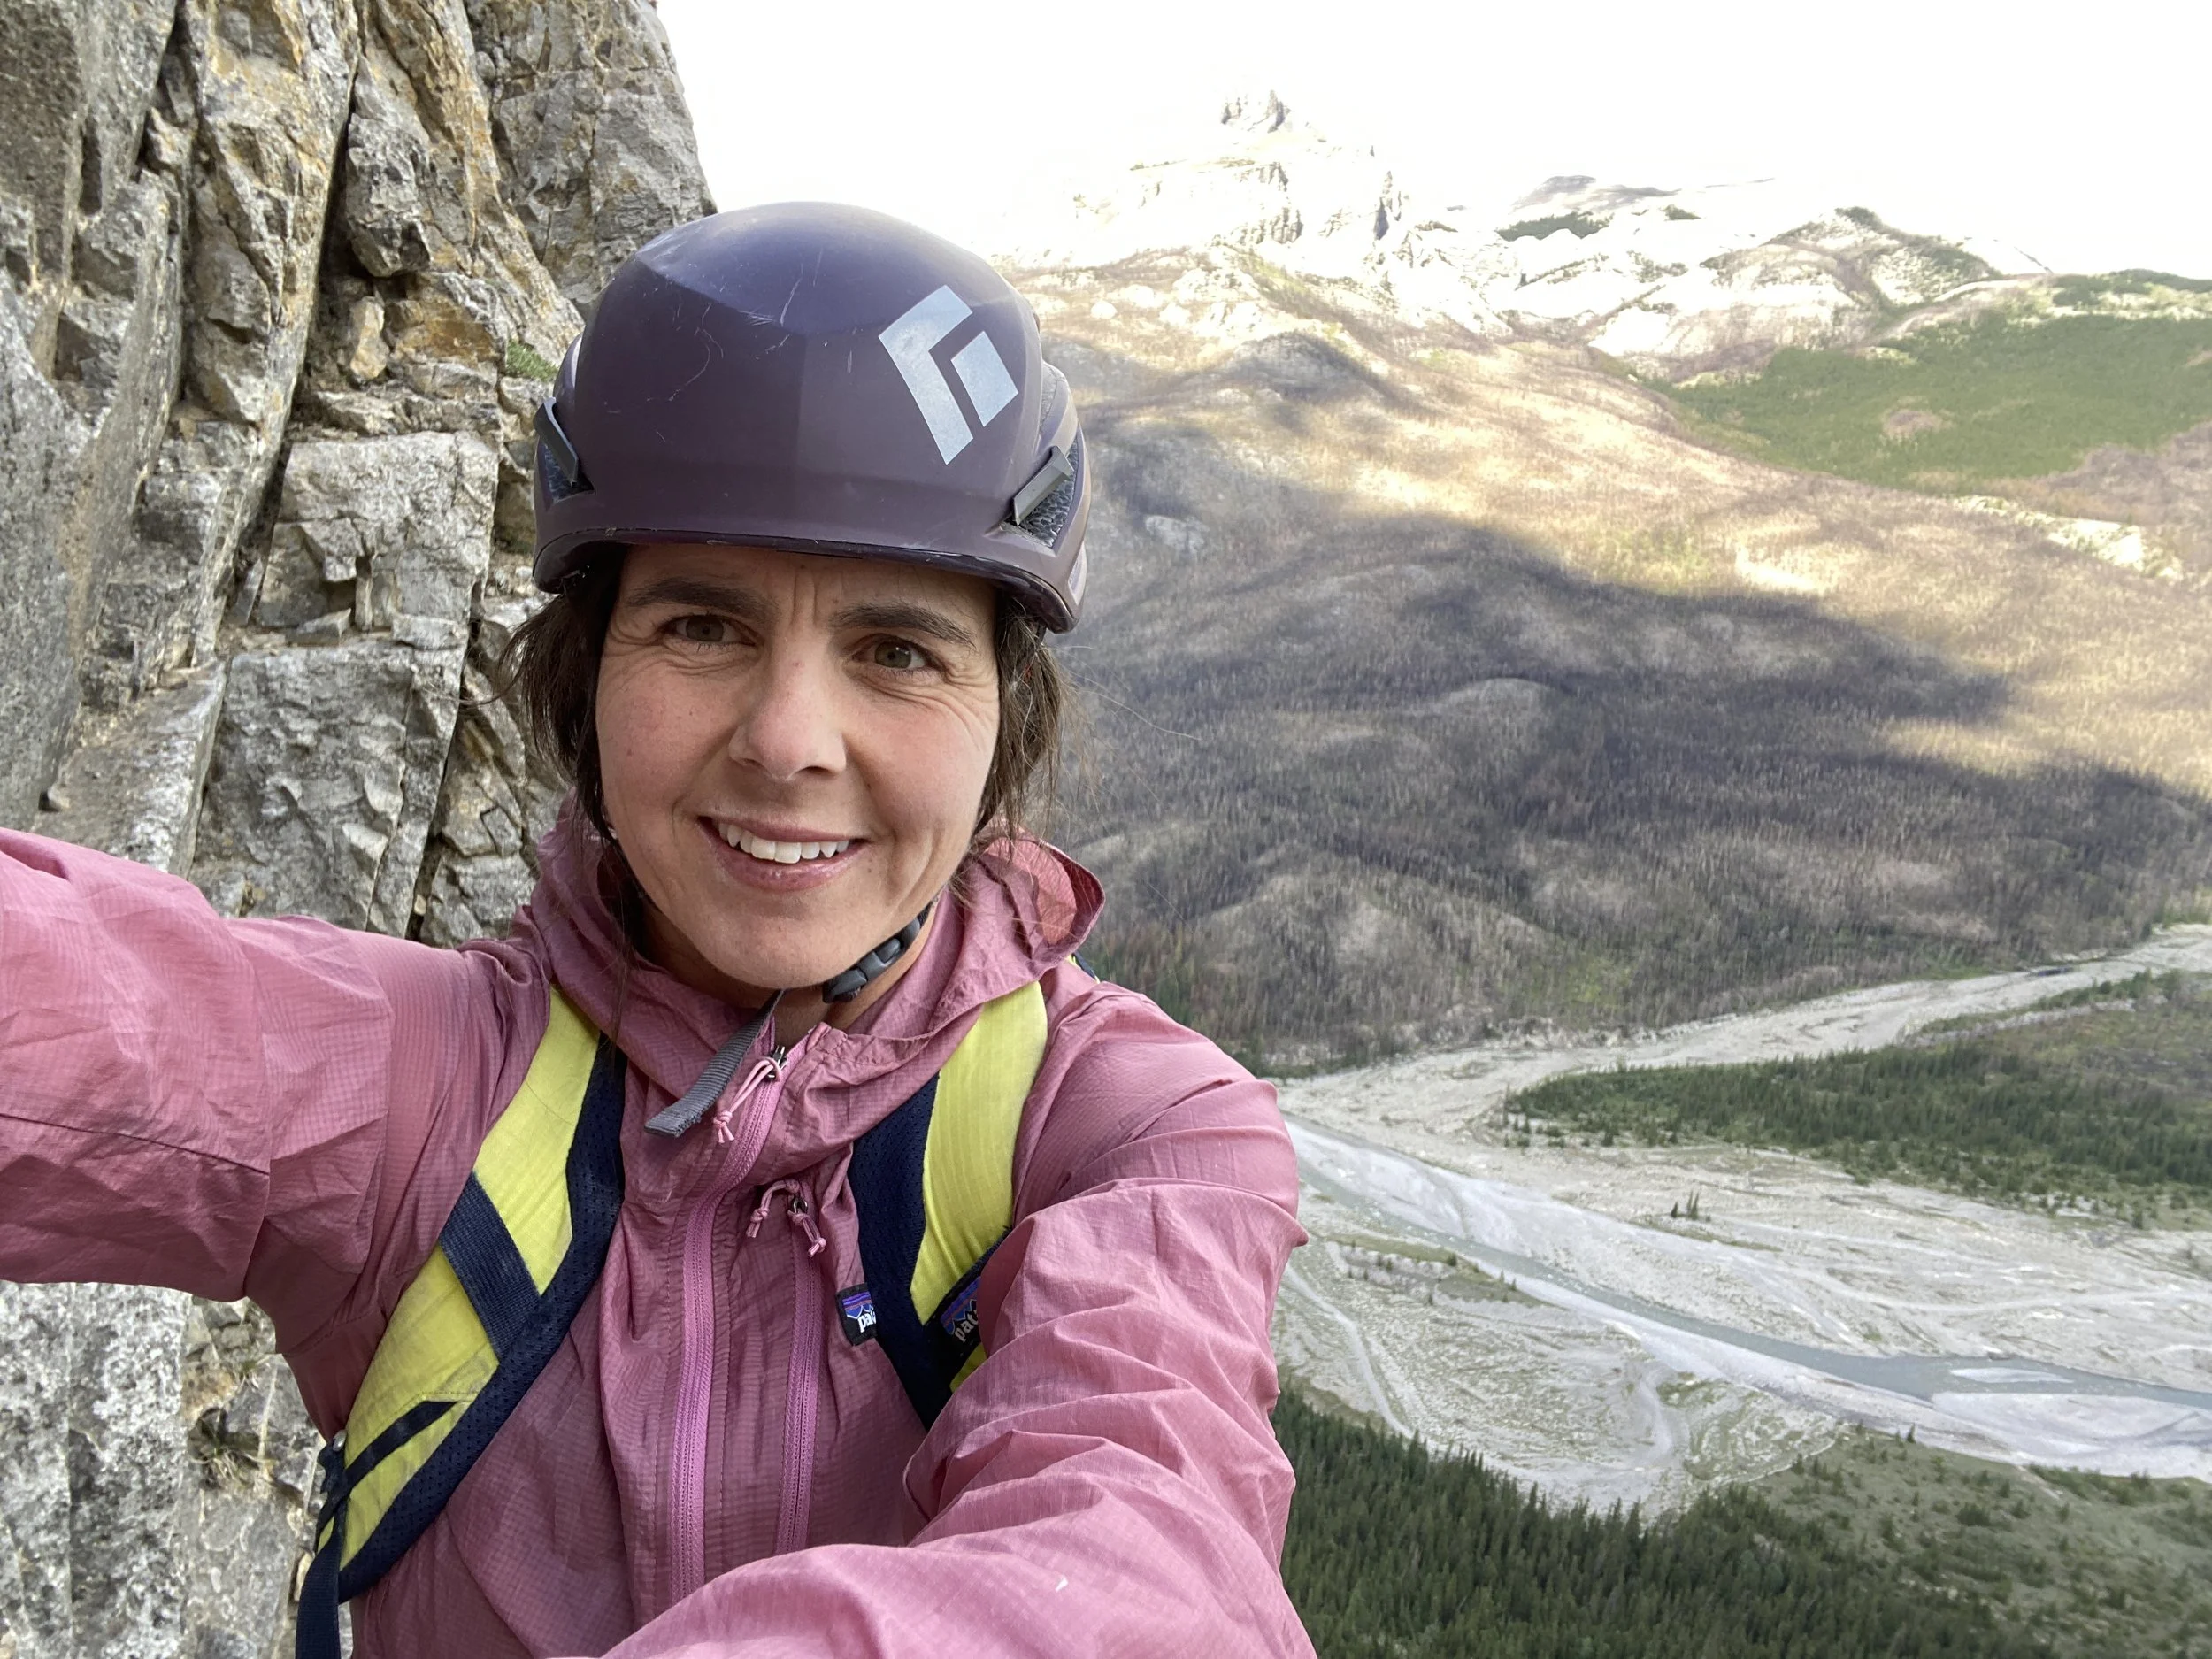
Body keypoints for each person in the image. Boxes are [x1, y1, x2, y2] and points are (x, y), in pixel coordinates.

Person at [0, 204, 1313, 1656]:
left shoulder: (1138, 1128)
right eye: (701, 626)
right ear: (587, 675)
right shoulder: (428, 1090)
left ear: (1003, 718)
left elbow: (1148, 1550)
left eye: (895, 650)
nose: (788, 738)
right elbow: (85, 1020)